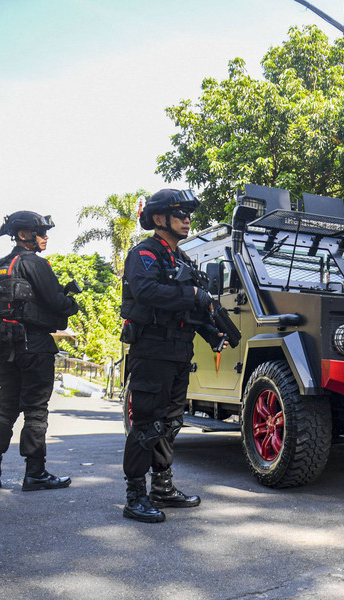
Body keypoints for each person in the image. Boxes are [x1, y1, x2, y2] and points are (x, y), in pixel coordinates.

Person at [120, 189, 223, 523]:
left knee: (170, 423)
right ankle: (135, 495)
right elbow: (146, 291)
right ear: (159, 218)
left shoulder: (184, 260)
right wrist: (192, 292)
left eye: (188, 215)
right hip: (151, 351)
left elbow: (192, 311)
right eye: (180, 214)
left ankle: (162, 487)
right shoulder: (144, 254)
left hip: (179, 353)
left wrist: (211, 332)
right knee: (146, 424)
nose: (187, 220)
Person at [0, 211, 80, 492]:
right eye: (40, 232)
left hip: (3, 348)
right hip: (33, 347)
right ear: (24, 235)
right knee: (36, 411)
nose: (45, 237)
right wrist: (70, 302)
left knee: (6, 408)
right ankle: (35, 473)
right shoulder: (35, 263)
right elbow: (57, 302)